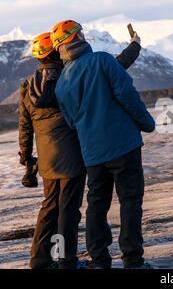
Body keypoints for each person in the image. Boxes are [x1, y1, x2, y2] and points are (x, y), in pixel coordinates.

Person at [19, 30, 142, 269]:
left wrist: (26, 157)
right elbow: (114, 68)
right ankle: (66, 260)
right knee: (69, 211)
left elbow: (24, 125)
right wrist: (134, 47)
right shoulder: (66, 76)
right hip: (74, 155)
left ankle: (40, 260)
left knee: (49, 209)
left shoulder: (27, 86)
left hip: (47, 159)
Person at [52, 20, 155, 269]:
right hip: (123, 144)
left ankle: (100, 261)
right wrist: (147, 123)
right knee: (130, 201)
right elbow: (127, 94)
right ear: (79, 37)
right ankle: (133, 260)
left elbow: (72, 121)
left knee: (97, 205)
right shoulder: (102, 60)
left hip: (93, 153)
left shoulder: (61, 84)